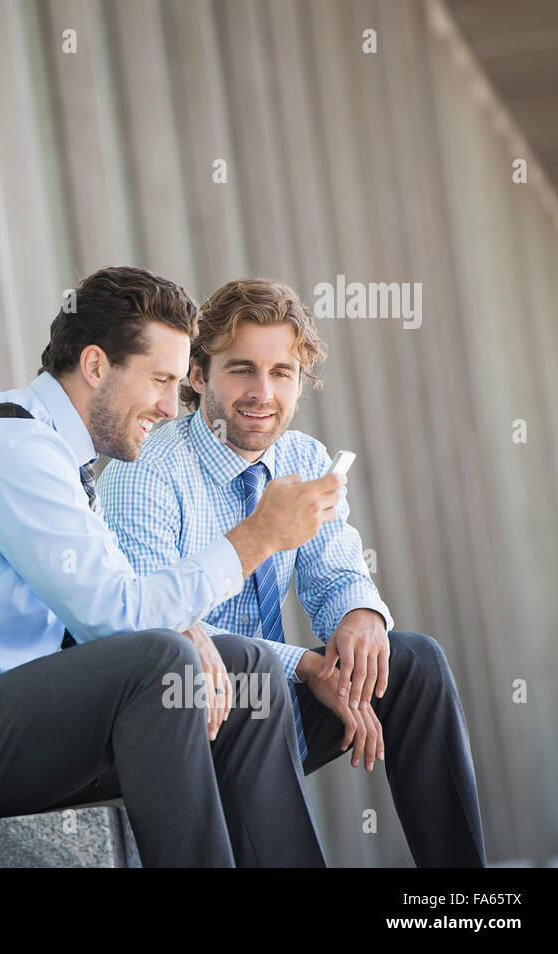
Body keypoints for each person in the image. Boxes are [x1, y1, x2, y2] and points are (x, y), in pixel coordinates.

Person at [0, 266, 345, 866]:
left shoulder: (56, 453)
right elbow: (118, 616)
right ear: (97, 366)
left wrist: (187, 627)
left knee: (245, 665)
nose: (168, 405)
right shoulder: (15, 451)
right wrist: (256, 537)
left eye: (177, 384)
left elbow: (109, 595)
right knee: (163, 662)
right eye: (159, 380)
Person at [96, 277, 485, 866]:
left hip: (276, 703)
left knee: (412, 662)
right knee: (252, 681)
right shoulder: (146, 470)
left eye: (282, 373)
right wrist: (302, 663)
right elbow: (156, 629)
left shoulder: (302, 457)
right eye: (241, 369)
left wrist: (358, 618)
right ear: (197, 377)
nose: (262, 392)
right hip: (198, 714)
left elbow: (336, 568)